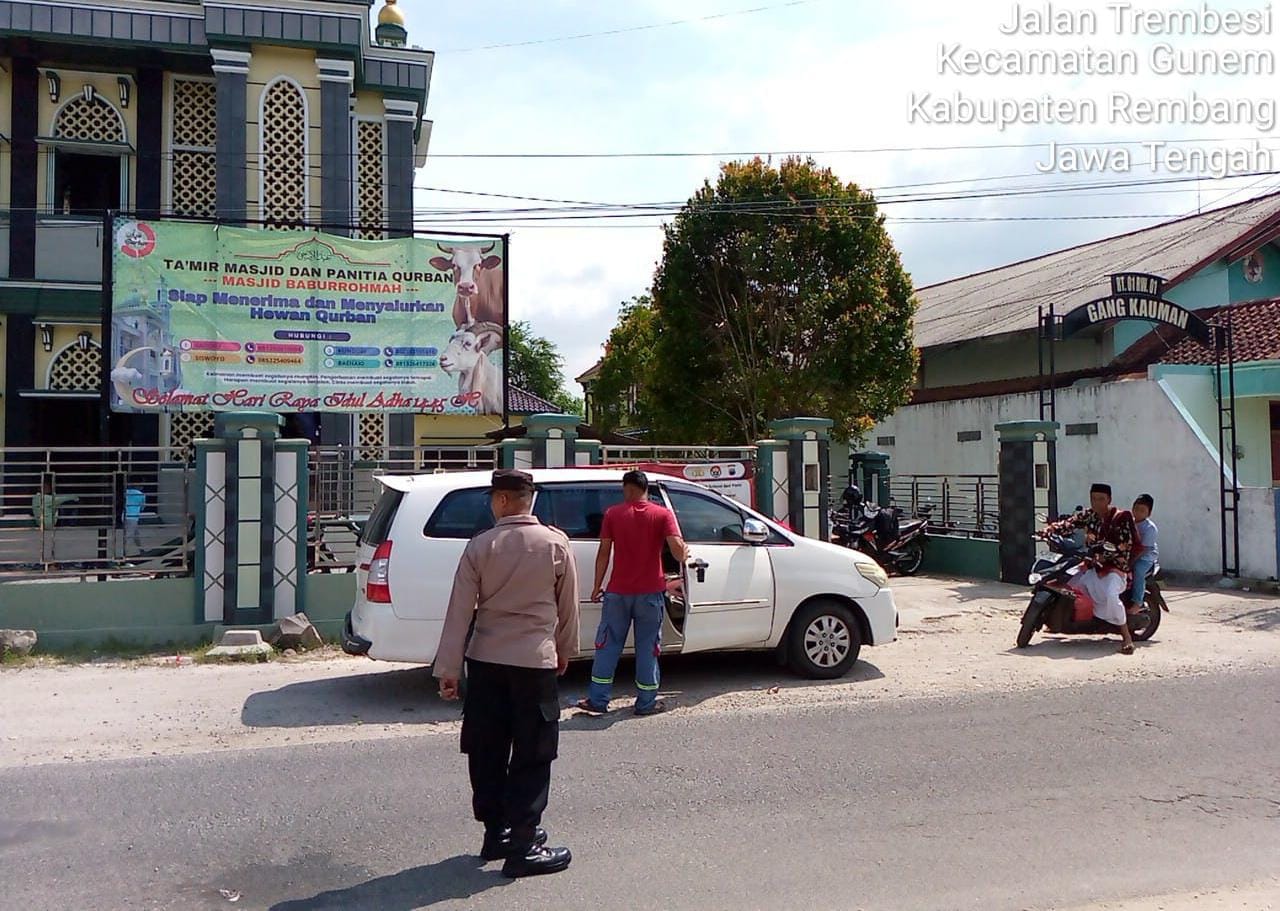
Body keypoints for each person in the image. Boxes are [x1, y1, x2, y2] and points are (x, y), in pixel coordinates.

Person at [433, 469, 580, 878]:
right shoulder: (554, 543)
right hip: (534, 661)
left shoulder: (480, 546)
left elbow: (459, 610)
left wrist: (448, 669)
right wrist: (565, 651)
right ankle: (523, 844)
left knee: (487, 750)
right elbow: (567, 608)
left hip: (485, 661)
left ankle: (495, 833)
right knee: (534, 753)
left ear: (500, 500)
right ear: (528, 500)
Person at [578, 470, 688, 717]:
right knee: (648, 648)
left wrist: (597, 586)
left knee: (607, 645)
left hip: (618, 593)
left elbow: (604, 552)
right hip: (650, 594)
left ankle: (598, 700)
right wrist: (684, 549)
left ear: (626, 489)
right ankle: (646, 703)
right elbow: (678, 553)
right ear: (646, 489)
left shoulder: (613, 514)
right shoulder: (662, 514)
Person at [1047, 482, 1138, 655]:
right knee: (1066, 585)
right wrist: (1051, 529)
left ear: (1109, 499)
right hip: (1092, 566)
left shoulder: (1121, 517)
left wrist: (1107, 554)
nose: (1097, 503)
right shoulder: (1090, 515)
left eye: (1101, 499)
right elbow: (1070, 523)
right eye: (1093, 499)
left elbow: (1127, 544)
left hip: (1114, 568)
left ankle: (1126, 637)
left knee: (1111, 595)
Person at [32, 478, 78, 565]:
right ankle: (72, 524)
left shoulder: (35, 498)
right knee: (65, 506)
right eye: (46, 487)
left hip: (41, 523)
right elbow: (62, 499)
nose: (48, 488)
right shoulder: (46, 499)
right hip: (49, 523)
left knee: (58, 506)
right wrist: (75, 497)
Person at [1126, 494, 1159, 615]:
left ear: (1149, 513)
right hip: (1130, 554)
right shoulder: (1128, 522)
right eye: (1136, 509)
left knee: (1138, 571)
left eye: (1142, 510)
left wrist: (1131, 562)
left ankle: (1137, 602)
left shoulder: (1150, 528)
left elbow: (1143, 550)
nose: (1138, 512)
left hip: (1145, 558)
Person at [123, 484, 146, 554]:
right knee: (129, 535)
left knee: (136, 534)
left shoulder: (126, 492)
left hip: (124, 515)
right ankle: (125, 553)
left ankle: (141, 549)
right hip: (133, 517)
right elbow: (142, 507)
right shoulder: (141, 495)